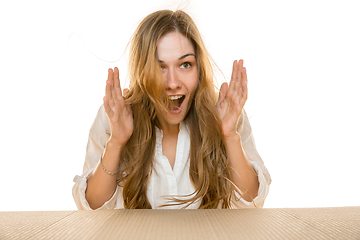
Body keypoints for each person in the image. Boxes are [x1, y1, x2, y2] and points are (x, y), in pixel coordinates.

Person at [72, 9, 271, 210]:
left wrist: (229, 136)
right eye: (159, 67)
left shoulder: (226, 112)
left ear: (199, 68)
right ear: (141, 71)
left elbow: (253, 204)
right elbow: (92, 210)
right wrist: (116, 142)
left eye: (185, 65)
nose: (172, 83)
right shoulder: (114, 116)